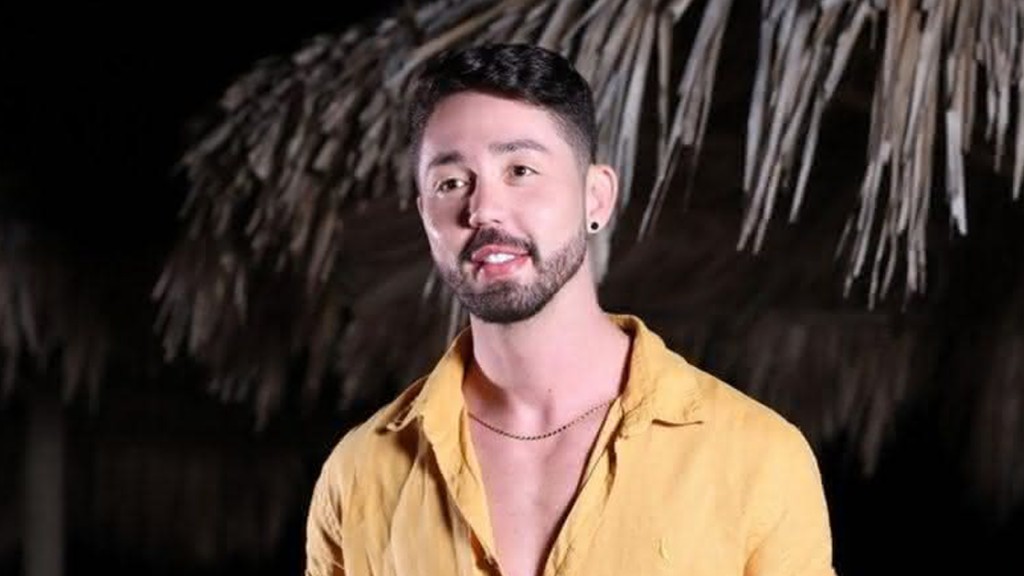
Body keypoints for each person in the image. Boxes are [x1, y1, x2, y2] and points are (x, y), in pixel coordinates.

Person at [304, 43, 836, 576]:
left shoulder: (757, 458)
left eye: (520, 170)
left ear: (595, 197)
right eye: (452, 183)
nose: (483, 209)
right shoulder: (358, 476)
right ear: (426, 216)